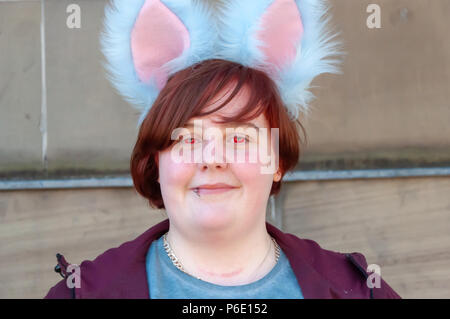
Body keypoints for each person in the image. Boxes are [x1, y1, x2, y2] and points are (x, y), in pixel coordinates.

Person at [44, 0, 401, 299]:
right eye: (187, 139)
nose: (212, 159)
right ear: (156, 162)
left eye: (239, 138)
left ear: (275, 160)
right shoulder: (84, 293)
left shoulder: (357, 290)